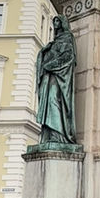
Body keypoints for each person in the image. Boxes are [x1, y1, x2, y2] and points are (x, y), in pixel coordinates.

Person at [35, 14, 77, 144]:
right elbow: (47, 56)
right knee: (49, 102)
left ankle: (58, 134)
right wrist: (43, 52)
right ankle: (50, 133)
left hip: (59, 76)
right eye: (54, 21)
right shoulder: (54, 42)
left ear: (63, 23)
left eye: (58, 20)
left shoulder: (68, 38)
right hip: (49, 76)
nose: (56, 23)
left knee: (54, 100)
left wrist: (50, 65)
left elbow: (69, 57)